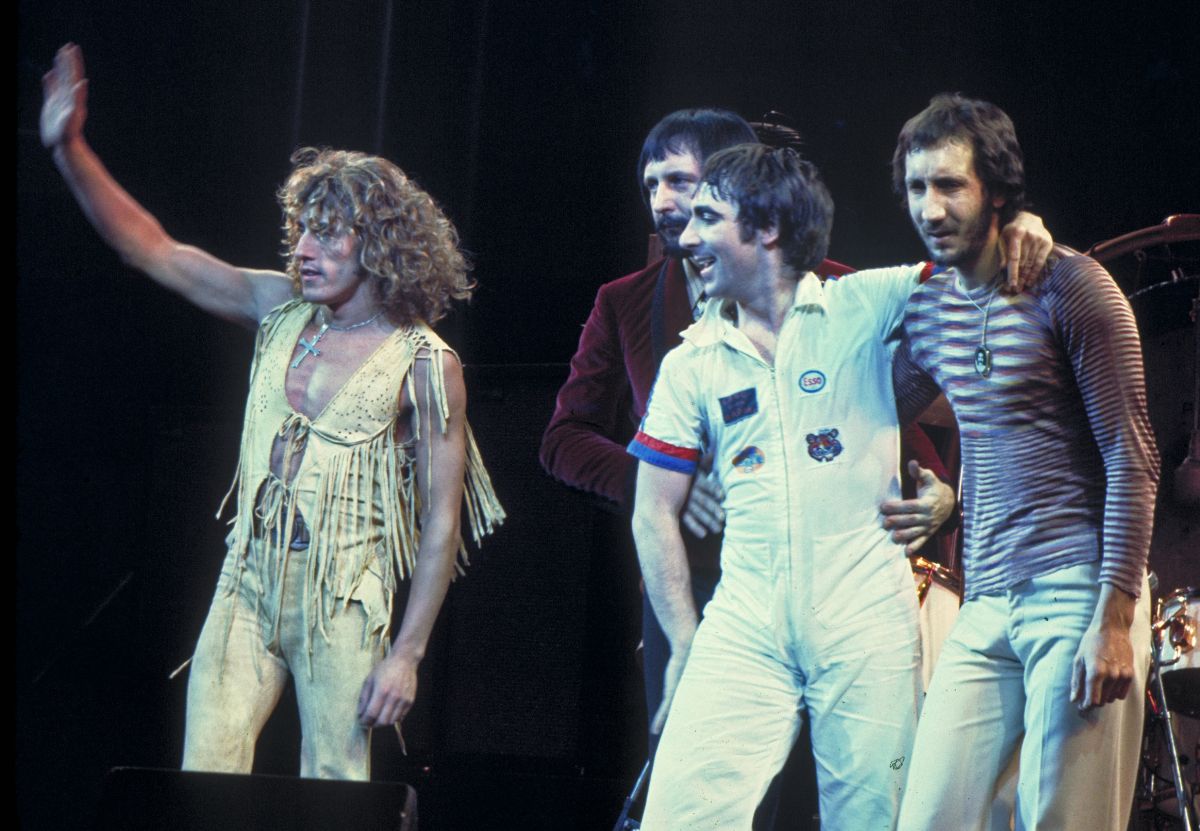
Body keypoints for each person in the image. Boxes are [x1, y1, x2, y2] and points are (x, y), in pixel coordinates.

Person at [40, 43, 504, 780]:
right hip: (247, 582)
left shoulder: (425, 363)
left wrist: (407, 655)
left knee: (334, 789)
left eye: (329, 232)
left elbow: (442, 526)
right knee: (208, 777)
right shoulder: (276, 308)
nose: (306, 249)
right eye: (303, 230)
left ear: (380, 245)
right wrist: (69, 149)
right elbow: (152, 249)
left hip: (344, 600)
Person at [538, 108, 953, 760]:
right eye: (651, 185)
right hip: (700, 583)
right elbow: (564, 437)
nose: (662, 202)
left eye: (680, 182)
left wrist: (940, 492)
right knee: (700, 776)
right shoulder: (626, 301)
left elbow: (883, 410)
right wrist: (664, 485)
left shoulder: (834, 287)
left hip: (830, 585)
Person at [627, 143, 980, 830]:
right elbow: (652, 511)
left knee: (872, 821)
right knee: (678, 818)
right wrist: (685, 640)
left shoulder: (865, 304)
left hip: (866, 621)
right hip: (745, 621)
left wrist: (1023, 230)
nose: (687, 236)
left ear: (767, 228)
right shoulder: (692, 360)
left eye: (708, 217)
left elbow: (981, 273)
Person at [891, 94, 1157, 830]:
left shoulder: (1071, 286)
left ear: (998, 192)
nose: (930, 208)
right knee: (927, 816)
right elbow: (869, 405)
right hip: (986, 599)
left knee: (1062, 822)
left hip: (1077, 591)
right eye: (917, 187)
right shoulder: (930, 309)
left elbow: (1133, 456)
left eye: (951, 185)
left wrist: (1114, 618)